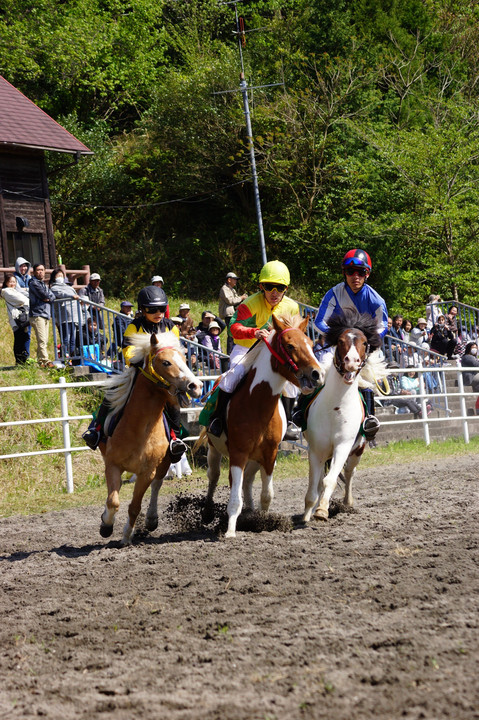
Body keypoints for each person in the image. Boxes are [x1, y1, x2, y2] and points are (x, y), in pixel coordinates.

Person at [82, 286, 187, 462]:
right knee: (112, 393)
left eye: (161, 309)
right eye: (152, 309)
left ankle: (176, 439)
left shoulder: (170, 326)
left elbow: (175, 351)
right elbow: (128, 350)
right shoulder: (134, 326)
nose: (158, 313)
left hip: (163, 374)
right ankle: (96, 430)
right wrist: (144, 361)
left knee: (174, 400)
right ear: (142, 309)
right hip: (139, 371)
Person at [208, 260, 300, 439]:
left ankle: (288, 423)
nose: (274, 293)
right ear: (261, 286)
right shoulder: (249, 304)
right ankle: (217, 419)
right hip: (247, 348)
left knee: (291, 382)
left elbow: (295, 333)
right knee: (231, 377)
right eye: (269, 287)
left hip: (274, 352)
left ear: (286, 289)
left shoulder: (292, 307)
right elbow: (234, 328)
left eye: (279, 288)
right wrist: (254, 332)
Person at [313, 248, 388, 441]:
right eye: (350, 271)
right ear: (344, 273)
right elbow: (319, 321)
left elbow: (382, 326)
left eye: (360, 272)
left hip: (365, 347)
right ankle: (302, 415)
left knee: (369, 376)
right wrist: (340, 337)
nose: (355, 276)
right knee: (320, 370)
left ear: (367, 274)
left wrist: (366, 344)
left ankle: (369, 419)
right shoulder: (333, 293)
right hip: (339, 345)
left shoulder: (376, 300)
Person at [49, 267, 82, 359]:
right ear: (54, 277)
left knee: (73, 339)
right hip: (64, 316)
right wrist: (72, 296)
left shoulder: (69, 287)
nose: (60, 277)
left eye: (61, 275)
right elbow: (61, 294)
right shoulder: (53, 288)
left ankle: (72, 357)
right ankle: (64, 357)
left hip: (74, 315)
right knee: (66, 338)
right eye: (58, 275)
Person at [29, 263, 56, 367]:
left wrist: (48, 298)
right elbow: (44, 295)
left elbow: (52, 297)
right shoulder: (33, 283)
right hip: (37, 314)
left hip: (45, 314)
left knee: (45, 339)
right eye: (38, 270)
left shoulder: (43, 284)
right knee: (42, 340)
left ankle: (40, 361)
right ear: (34, 272)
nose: (40, 272)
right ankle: (46, 360)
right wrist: (47, 297)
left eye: (42, 270)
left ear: (45, 271)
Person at [1, 273, 30, 364]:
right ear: (6, 282)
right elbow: (22, 300)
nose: (12, 283)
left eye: (14, 282)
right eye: (10, 282)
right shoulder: (6, 291)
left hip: (21, 317)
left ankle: (23, 360)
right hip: (16, 318)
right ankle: (19, 361)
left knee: (23, 338)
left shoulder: (14, 291)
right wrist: (27, 301)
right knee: (18, 339)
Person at [218, 272, 247, 354]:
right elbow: (230, 300)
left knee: (235, 333)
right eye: (234, 279)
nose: (236, 281)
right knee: (231, 334)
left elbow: (236, 301)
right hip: (228, 314)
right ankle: (230, 353)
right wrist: (241, 297)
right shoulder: (224, 289)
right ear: (229, 280)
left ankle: (234, 351)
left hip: (233, 314)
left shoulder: (232, 289)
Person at [461, 342, 479, 414]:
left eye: (476, 348)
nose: (475, 349)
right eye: (473, 347)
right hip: (470, 378)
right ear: (469, 348)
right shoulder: (467, 357)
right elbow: (476, 365)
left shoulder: (473, 357)